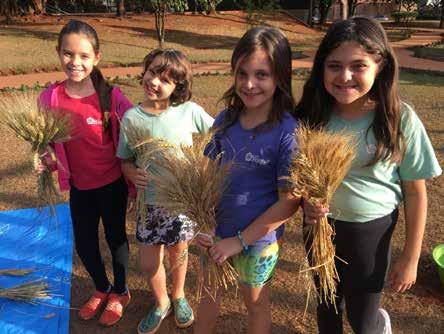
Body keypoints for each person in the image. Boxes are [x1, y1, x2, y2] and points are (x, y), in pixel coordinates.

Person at [294, 17, 442, 334]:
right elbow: (300, 175)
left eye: (358, 66)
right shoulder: (311, 114)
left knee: (363, 319)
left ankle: (379, 324)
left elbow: (416, 193)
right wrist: (306, 204)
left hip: (371, 234)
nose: (344, 76)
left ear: (380, 66)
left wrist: (411, 258)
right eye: (334, 65)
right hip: (319, 229)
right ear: (321, 68)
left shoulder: (398, 119)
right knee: (326, 304)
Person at [194, 26, 301, 334]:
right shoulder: (224, 121)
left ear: (280, 76)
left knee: (255, 304)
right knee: (209, 294)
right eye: (242, 73)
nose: (249, 84)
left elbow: (289, 202)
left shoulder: (288, 132)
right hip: (215, 233)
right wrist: (204, 222)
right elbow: (207, 174)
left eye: (262, 75)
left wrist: (239, 242)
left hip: (257, 243)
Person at [37, 20, 134, 326]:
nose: (75, 62)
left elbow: (137, 131)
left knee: (116, 238)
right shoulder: (49, 98)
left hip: (113, 184)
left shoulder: (112, 97)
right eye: (68, 54)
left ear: (97, 58)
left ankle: (120, 291)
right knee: (85, 243)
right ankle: (101, 287)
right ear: (58, 53)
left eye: (83, 56)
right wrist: (46, 159)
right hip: (81, 187)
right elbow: (48, 144)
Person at [116, 48, 214, 334]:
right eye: (152, 72)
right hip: (149, 205)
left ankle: (179, 295)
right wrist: (132, 173)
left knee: (179, 252)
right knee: (148, 263)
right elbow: (124, 160)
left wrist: (204, 166)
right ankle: (161, 302)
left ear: (178, 87)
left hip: (180, 203)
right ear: (144, 71)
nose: (155, 82)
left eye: (166, 79)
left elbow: (221, 132)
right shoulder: (132, 117)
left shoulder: (189, 111)